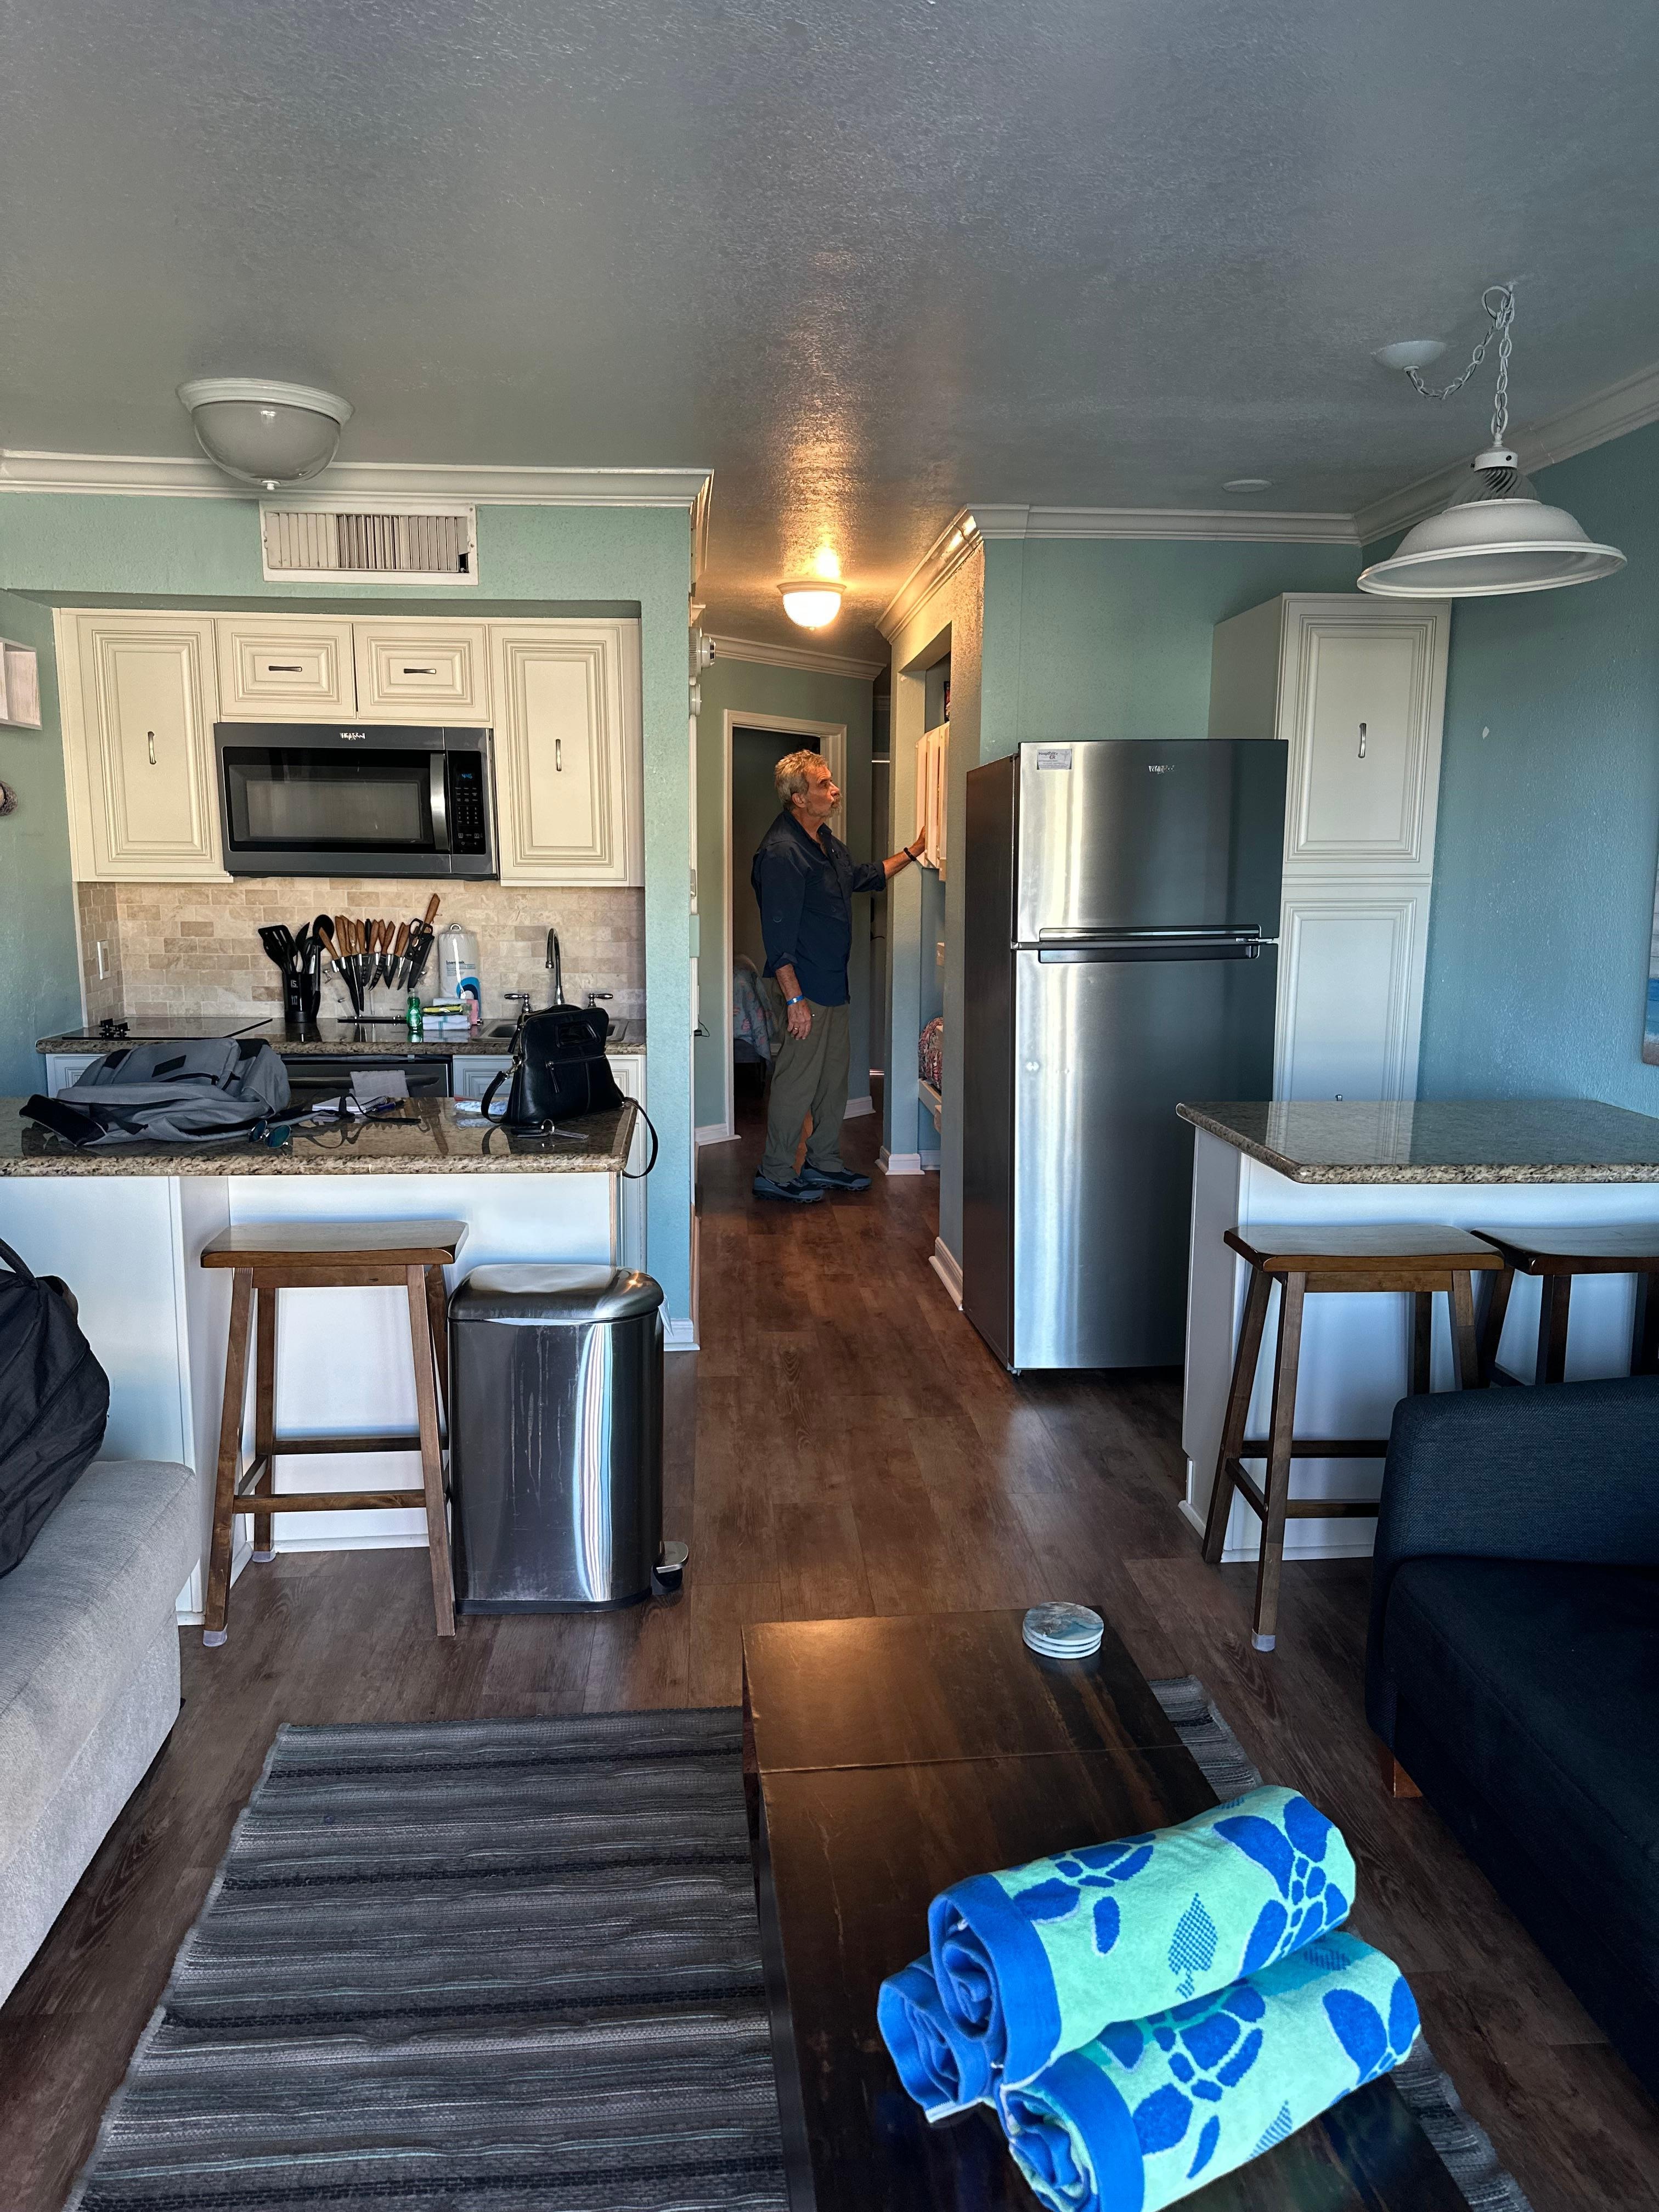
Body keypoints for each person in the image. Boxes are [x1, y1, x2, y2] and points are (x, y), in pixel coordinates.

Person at [750, 749, 925, 1203]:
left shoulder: (825, 841)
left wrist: (914, 851)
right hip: (802, 987)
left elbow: (862, 877)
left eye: (831, 782)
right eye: (824, 785)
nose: (834, 790)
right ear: (798, 798)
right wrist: (794, 1001)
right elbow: (778, 937)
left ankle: (823, 1162)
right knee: (797, 1080)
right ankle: (774, 1172)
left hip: (832, 982)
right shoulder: (782, 853)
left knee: (833, 1079)